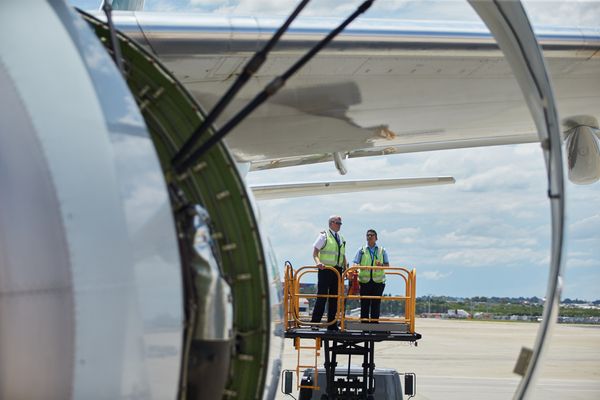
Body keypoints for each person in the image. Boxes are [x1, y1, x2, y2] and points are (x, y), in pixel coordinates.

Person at [310, 215, 346, 331]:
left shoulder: (341, 238)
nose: (339, 225)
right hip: (325, 270)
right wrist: (318, 262)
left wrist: (346, 269)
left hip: (337, 271)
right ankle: (315, 322)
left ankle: (332, 324)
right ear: (331, 223)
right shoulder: (324, 236)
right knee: (322, 296)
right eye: (338, 223)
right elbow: (315, 252)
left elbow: (342, 255)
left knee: (334, 298)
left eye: (340, 223)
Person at [353, 229, 389, 323]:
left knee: (376, 303)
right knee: (364, 303)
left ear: (376, 238)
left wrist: (381, 265)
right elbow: (355, 263)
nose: (369, 237)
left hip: (378, 281)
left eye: (371, 235)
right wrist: (356, 267)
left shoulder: (382, 250)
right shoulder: (361, 250)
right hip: (365, 281)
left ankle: (374, 324)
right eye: (368, 235)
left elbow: (387, 265)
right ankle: (364, 324)